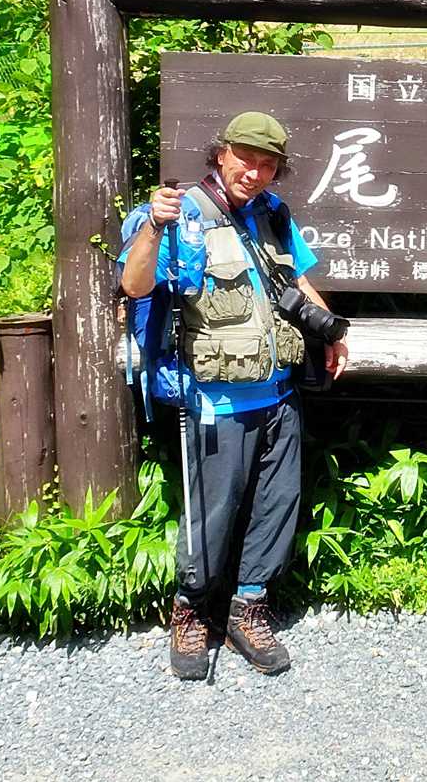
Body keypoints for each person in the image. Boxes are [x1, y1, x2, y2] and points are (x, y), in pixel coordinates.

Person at [118, 111, 348, 681]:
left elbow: (296, 280)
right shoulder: (181, 216)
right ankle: (191, 612)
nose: (255, 172)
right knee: (211, 514)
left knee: (276, 505)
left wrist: (331, 333)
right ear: (221, 153)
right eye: (246, 159)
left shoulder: (273, 214)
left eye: (268, 164)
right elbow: (135, 285)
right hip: (212, 401)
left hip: (278, 392)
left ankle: (249, 610)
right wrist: (154, 226)